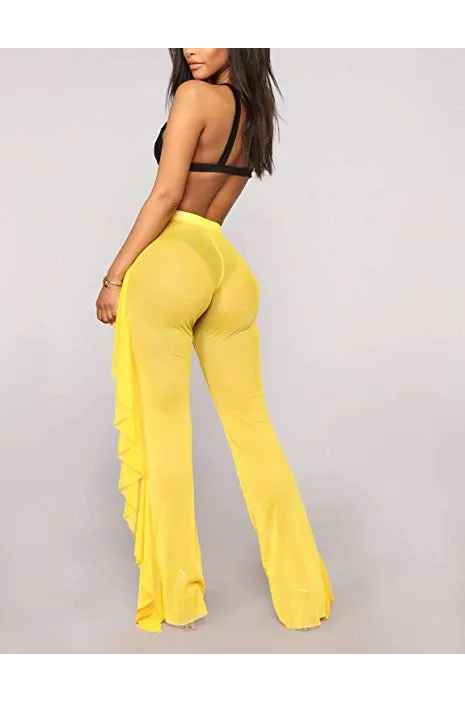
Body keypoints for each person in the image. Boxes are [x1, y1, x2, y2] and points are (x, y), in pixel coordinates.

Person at [96, 48, 334, 633]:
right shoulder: (256, 111)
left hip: (173, 262)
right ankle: (304, 593)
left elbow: (166, 195)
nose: (192, 48)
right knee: (253, 429)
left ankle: (177, 599)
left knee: (165, 434)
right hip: (226, 265)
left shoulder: (193, 97)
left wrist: (115, 276)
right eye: (184, 38)